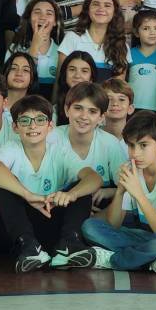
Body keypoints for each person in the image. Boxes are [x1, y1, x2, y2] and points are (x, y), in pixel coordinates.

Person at [71, 110, 156, 275]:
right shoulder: (133, 170)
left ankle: (113, 261)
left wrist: (139, 195)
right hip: (150, 239)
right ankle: (152, 261)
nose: (135, 154)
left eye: (143, 145)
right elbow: (114, 224)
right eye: (131, 146)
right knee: (91, 227)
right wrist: (120, 192)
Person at [0, 95, 102, 272]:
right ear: (15, 127)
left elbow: (94, 178)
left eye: (40, 120)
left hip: (50, 219)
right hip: (18, 229)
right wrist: (28, 196)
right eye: (25, 120)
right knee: (1, 186)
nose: (33, 126)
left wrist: (70, 194)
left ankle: (69, 244)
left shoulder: (60, 151)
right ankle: (29, 247)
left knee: (81, 189)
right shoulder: (12, 147)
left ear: (50, 126)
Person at [48, 82, 128, 213]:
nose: (84, 116)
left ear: (101, 118)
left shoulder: (110, 143)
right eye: (78, 108)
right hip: (55, 207)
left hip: (97, 210)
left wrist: (110, 191)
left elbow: (128, 186)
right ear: (67, 110)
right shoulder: (50, 138)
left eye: (92, 111)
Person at [58, 0, 130, 83]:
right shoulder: (72, 38)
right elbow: (60, 81)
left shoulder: (121, 45)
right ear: (87, 9)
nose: (101, 9)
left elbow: (119, 87)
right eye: (96, 4)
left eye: (107, 5)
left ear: (115, 12)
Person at [10, 0, 63, 101]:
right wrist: (34, 46)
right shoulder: (14, 49)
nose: (42, 17)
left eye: (49, 13)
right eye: (37, 12)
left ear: (55, 22)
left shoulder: (61, 53)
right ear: (29, 19)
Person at [51, 51, 96, 124]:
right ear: (65, 74)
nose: (77, 75)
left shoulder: (99, 106)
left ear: (91, 78)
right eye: (72, 69)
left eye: (84, 71)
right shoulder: (54, 111)